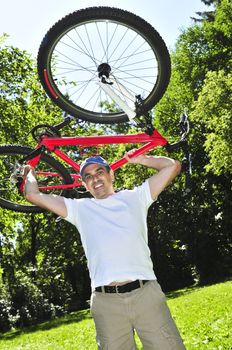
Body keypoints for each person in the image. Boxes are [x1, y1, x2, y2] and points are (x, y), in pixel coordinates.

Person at [23, 149, 185, 350]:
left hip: (146, 294)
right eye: (88, 177)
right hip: (106, 303)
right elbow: (32, 194)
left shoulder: (136, 197)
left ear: (111, 174)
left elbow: (173, 166)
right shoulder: (78, 209)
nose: (95, 179)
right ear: (84, 185)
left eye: (100, 172)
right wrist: (30, 171)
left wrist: (143, 159)